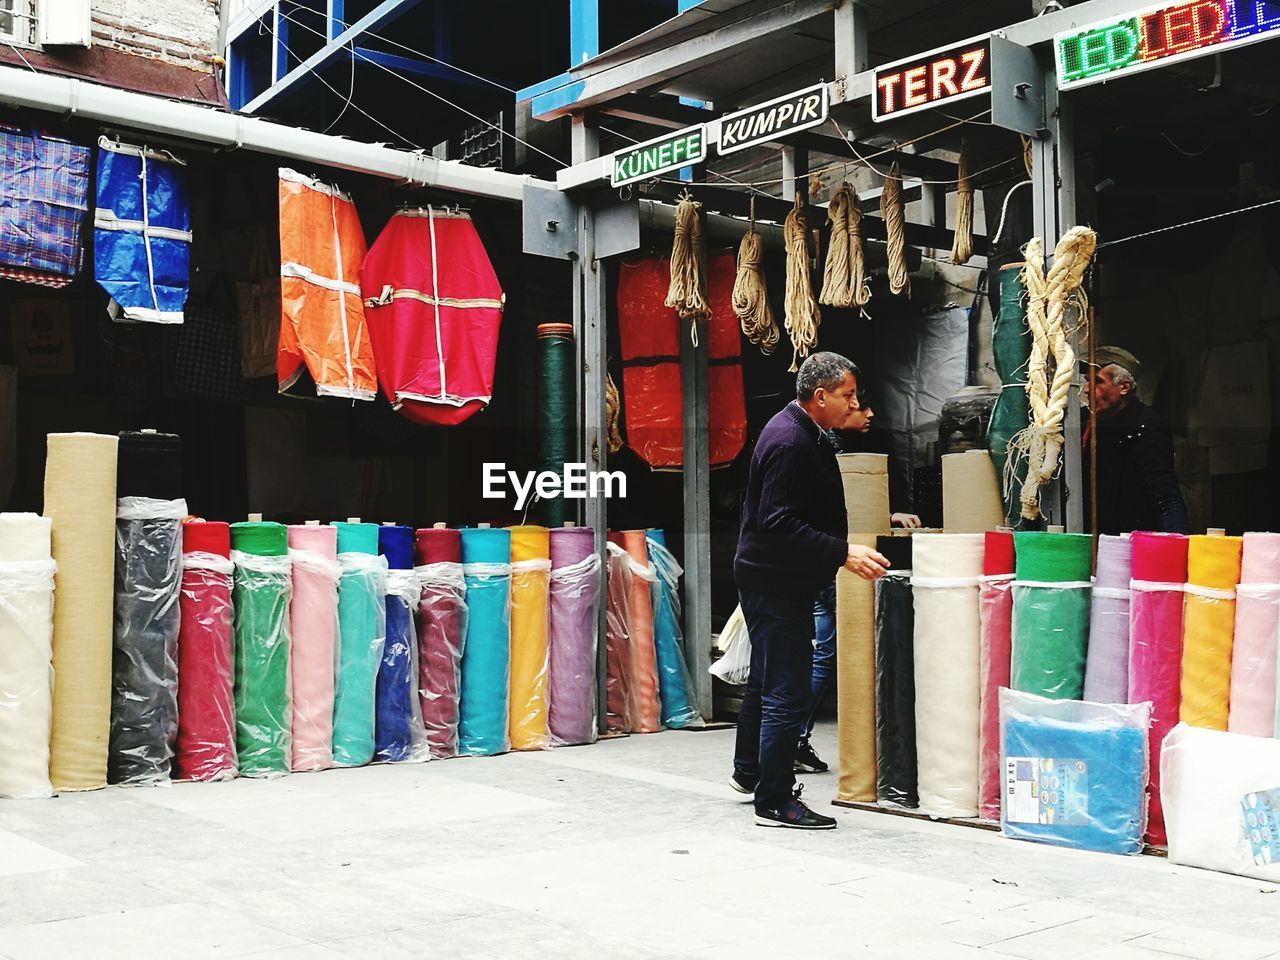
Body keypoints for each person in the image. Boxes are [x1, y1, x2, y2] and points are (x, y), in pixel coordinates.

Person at [731, 352, 889, 829]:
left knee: (765, 679)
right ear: (820, 397)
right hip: (774, 580)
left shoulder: (802, 430)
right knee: (786, 689)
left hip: (772, 575)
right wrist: (843, 553)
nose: (855, 403)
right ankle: (775, 800)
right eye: (848, 396)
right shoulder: (789, 440)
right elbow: (776, 520)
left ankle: (750, 771)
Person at [796, 390, 920, 775]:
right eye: (857, 403)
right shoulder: (830, 447)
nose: (866, 412)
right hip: (834, 560)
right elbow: (847, 509)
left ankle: (792, 739)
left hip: (825, 557)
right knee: (841, 649)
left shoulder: (838, 442)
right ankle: (795, 739)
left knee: (823, 651)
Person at [1084, 346, 1189, 536]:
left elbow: (1164, 494)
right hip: (1096, 536)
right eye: (1087, 381)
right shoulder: (1089, 424)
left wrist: (1175, 542)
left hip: (1132, 540)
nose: (1086, 389)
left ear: (1123, 387)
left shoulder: (1148, 427)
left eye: (1097, 382)